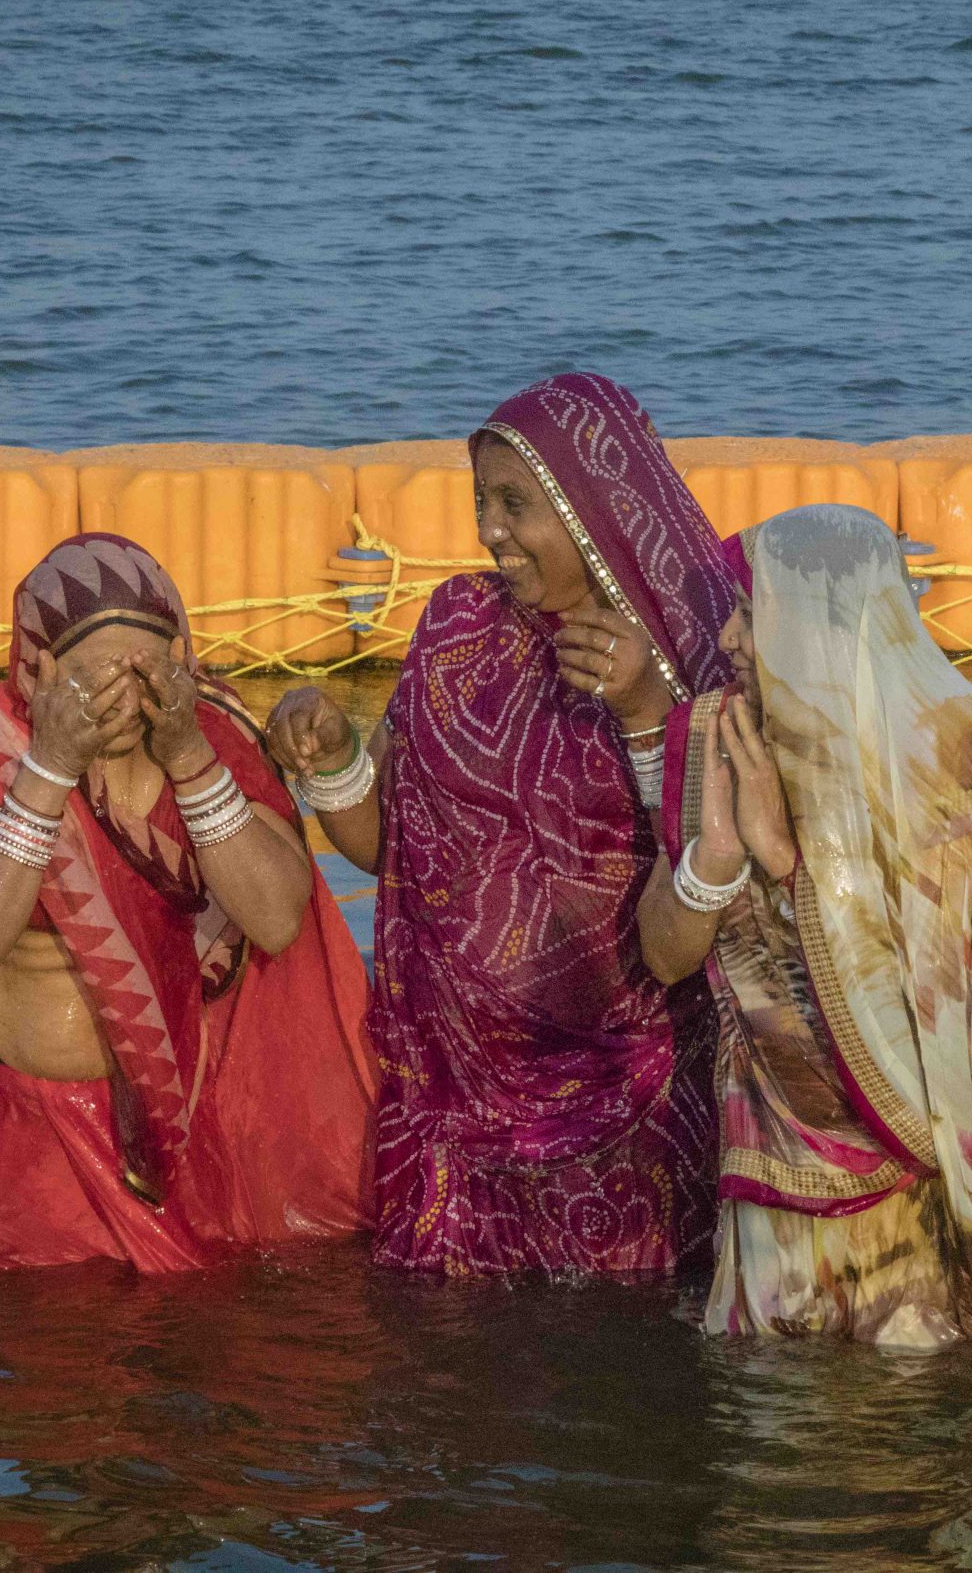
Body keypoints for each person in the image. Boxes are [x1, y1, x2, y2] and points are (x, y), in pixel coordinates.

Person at [269, 374, 736, 1277]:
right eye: (481, 500)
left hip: (632, 1123)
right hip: (452, 1125)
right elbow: (385, 846)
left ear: (592, 507)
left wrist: (643, 704)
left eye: (515, 504)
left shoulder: (688, 648)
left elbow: (714, 884)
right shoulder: (455, 625)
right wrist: (332, 766)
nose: (488, 530)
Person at [0, 532, 375, 1274]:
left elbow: (279, 916)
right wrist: (50, 767)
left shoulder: (214, 734)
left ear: (182, 661)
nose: (124, 700)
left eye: (146, 672)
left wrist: (187, 754)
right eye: (92, 678)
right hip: (4, 1135)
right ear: (40, 668)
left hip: (184, 1124)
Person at [633, 506, 972, 1348]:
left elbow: (955, 1003)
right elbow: (666, 958)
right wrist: (716, 855)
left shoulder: (945, 759)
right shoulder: (722, 737)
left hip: (906, 1202)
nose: (731, 638)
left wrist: (788, 864)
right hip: (766, 1189)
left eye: (752, 612)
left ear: (822, 619)